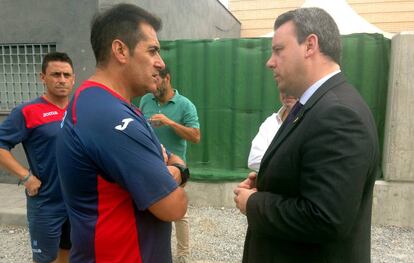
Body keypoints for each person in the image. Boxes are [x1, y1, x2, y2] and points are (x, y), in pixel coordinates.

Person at [234, 7, 379, 263]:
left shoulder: (338, 113)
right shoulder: (314, 105)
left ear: (310, 45)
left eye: (278, 50)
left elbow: (325, 217)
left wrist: (254, 204)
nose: (270, 61)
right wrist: (271, 181)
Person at [56, 4, 188, 263]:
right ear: (120, 50)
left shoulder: (108, 105)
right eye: (152, 50)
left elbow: (170, 158)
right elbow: (174, 206)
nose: (160, 63)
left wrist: (173, 169)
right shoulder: (109, 116)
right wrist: (175, 171)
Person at [0, 52, 74, 263]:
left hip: (77, 201)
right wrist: (25, 176)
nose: (62, 80)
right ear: (43, 77)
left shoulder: (80, 110)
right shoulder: (27, 111)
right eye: (56, 74)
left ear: (73, 78)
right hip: (46, 202)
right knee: (45, 259)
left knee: (69, 254)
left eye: (66, 75)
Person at [140, 67, 200, 263]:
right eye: (151, 79)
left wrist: (169, 122)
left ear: (167, 78)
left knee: (178, 212)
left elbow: (195, 136)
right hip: (149, 166)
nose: (154, 84)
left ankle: (183, 255)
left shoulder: (185, 105)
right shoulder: (145, 100)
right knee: (150, 210)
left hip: (174, 168)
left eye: (156, 78)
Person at [247, 92, 296, 171]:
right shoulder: (271, 122)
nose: (287, 93)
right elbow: (254, 160)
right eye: (283, 89)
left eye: (292, 87)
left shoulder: (311, 120)